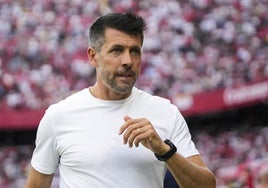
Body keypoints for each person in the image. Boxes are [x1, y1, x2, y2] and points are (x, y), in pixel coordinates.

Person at [25, 12, 216, 188]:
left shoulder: (165, 112)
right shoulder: (59, 116)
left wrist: (164, 150)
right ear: (93, 56)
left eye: (135, 51)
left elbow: (207, 185)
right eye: (117, 50)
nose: (128, 61)